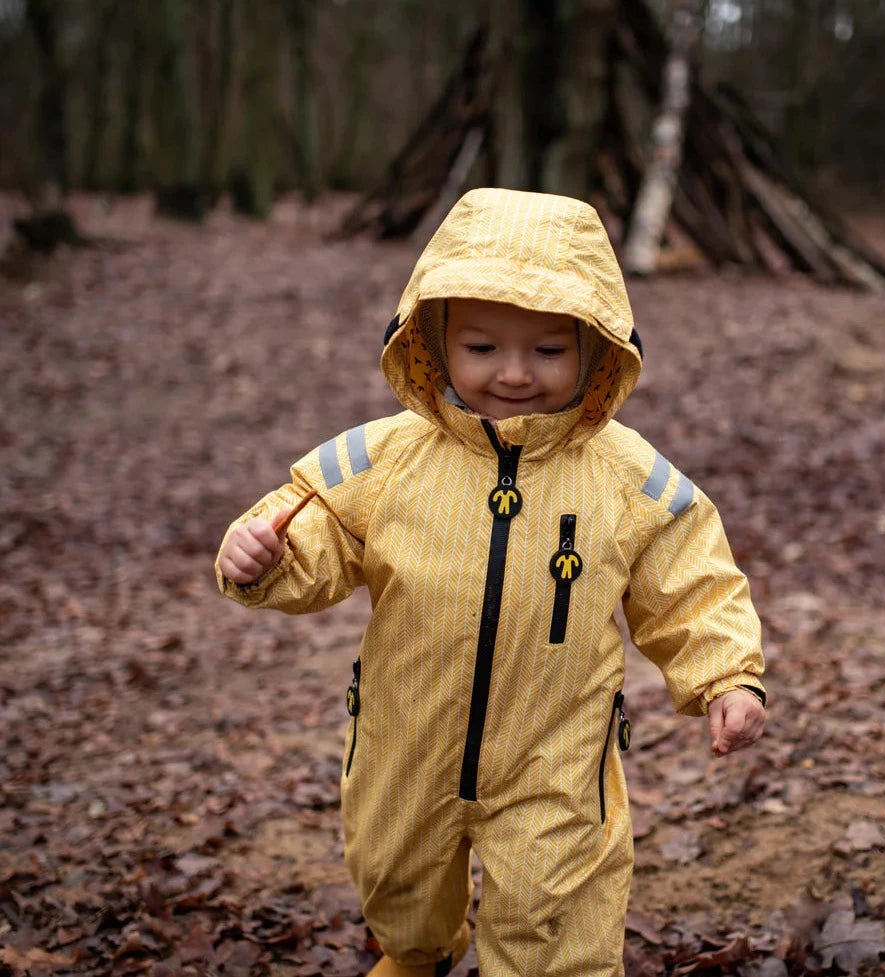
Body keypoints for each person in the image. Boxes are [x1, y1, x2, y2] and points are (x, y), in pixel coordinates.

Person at [216, 188, 766, 977]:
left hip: (553, 750)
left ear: (596, 348)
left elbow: (690, 578)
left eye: (547, 351)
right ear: (432, 343)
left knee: (555, 904)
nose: (512, 374)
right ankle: (413, 952)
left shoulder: (628, 478)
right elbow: (313, 525)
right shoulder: (379, 460)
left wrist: (725, 675)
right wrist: (263, 556)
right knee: (395, 873)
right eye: (481, 348)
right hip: (404, 737)